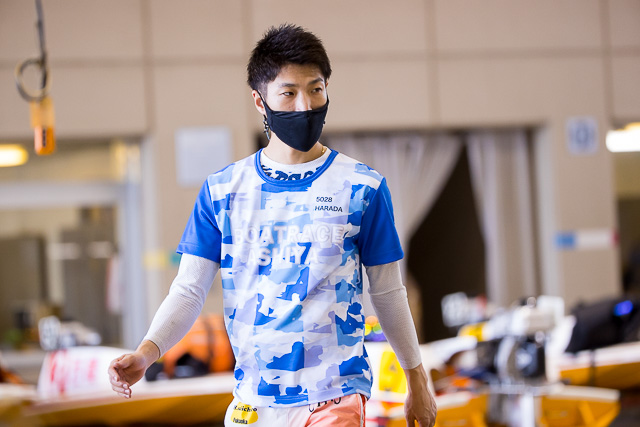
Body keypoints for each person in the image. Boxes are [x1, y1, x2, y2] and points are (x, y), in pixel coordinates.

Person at [109, 24, 437, 427]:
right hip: (253, 402)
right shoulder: (223, 190)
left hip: (334, 393)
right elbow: (189, 290)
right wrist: (146, 353)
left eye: (315, 90)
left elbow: (387, 290)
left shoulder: (362, 186)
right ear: (260, 101)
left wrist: (416, 376)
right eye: (289, 93)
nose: (305, 106)